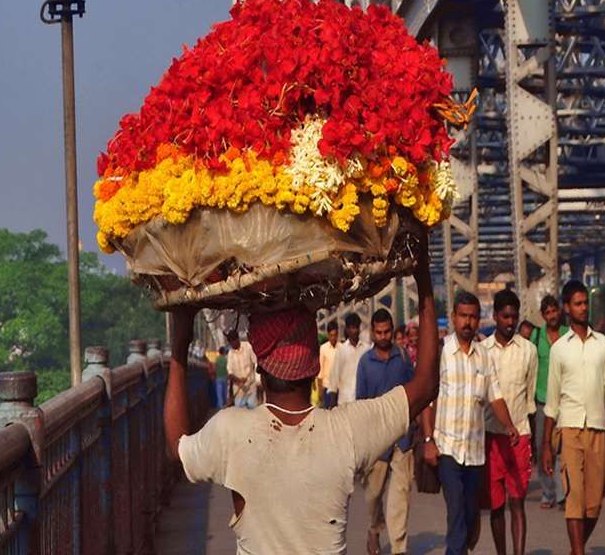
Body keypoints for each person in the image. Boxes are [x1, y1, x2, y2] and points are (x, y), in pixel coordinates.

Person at [162, 237, 441, 554]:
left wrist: (179, 347)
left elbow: (176, 446)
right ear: (313, 371)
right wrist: (423, 278)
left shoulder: (230, 432)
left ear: (260, 371)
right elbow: (427, 382)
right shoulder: (346, 431)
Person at [420, 291, 520, 555]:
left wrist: (509, 425)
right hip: (448, 449)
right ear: (453, 317)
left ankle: (463, 545)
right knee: (456, 512)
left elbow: (495, 395)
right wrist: (429, 441)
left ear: (479, 320)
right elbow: (426, 400)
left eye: (473, 317)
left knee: (469, 514)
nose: (468, 322)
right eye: (463, 316)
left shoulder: (484, 357)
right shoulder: (441, 353)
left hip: (475, 453)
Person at [541, 280, 605, 555]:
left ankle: (577, 547)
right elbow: (552, 402)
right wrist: (546, 448)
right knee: (574, 496)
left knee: (594, 501)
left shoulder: (603, 344)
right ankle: (578, 552)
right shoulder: (560, 349)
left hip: (597, 428)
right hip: (569, 429)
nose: (583, 307)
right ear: (566, 308)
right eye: (578, 303)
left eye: (585, 302)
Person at [480, 289, 537, 555]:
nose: (510, 322)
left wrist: (534, 442)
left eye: (514, 317)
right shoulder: (483, 352)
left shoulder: (529, 351)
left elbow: (530, 398)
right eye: (505, 316)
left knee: (518, 502)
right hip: (490, 436)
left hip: (520, 435)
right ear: (495, 316)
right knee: (496, 505)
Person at [355, 308, 415, 555]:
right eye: (378, 332)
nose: (383, 336)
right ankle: (373, 528)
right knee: (373, 495)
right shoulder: (365, 363)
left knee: (400, 496)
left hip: (402, 438)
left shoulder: (402, 358)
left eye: (387, 331)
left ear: (392, 330)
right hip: (376, 440)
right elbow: (361, 403)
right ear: (372, 332)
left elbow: (414, 392)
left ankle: (399, 548)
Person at [531, 294, 568, 509]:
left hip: (565, 400)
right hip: (543, 400)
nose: (552, 315)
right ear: (543, 315)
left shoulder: (567, 334)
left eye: (555, 311)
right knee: (542, 445)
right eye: (548, 312)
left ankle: (562, 493)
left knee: (563, 448)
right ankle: (547, 492)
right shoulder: (537, 337)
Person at [327, 313, 371, 407]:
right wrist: (332, 403)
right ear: (347, 329)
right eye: (351, 328)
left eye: (356, 327)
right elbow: (334, 377)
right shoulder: (341, 350)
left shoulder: (366, 349)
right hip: (345, 401)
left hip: (363, 401)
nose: (354, 331)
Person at [226, 329, 259, 409]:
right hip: (239, 391)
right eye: (230, 343)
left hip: (251, 389)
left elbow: (255, 363)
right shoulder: (230, 354)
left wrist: (250, 378)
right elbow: (230, 373)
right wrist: (239, 380)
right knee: (239, 416)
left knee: (253, 413)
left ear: (237, 339)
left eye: (233, 341)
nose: (232, 344)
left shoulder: (248, 347)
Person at [315, 321, 340, 408]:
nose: (333, 338)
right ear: (328, 335)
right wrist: (320, 391)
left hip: (339, 388)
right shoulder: (323, 348)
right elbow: (320, 371)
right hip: (327, 387)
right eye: (331, 335)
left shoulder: (342, 348)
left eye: (335, 335)